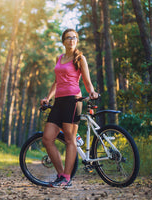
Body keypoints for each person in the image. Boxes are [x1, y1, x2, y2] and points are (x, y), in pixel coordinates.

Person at [40, 28, 99, 188]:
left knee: (69, 139)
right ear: (63, 41)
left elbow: (87, 81)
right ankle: (60, 175)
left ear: (76, 41)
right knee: (47, 138)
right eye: (68, 37)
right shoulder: (59, 58)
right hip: (59, 101)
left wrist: (91, 91)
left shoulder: (80, 58)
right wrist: (48, 97)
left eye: (74, 37)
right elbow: (56, 81)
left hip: (73, 100)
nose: (71, 40)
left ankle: (67, 177)